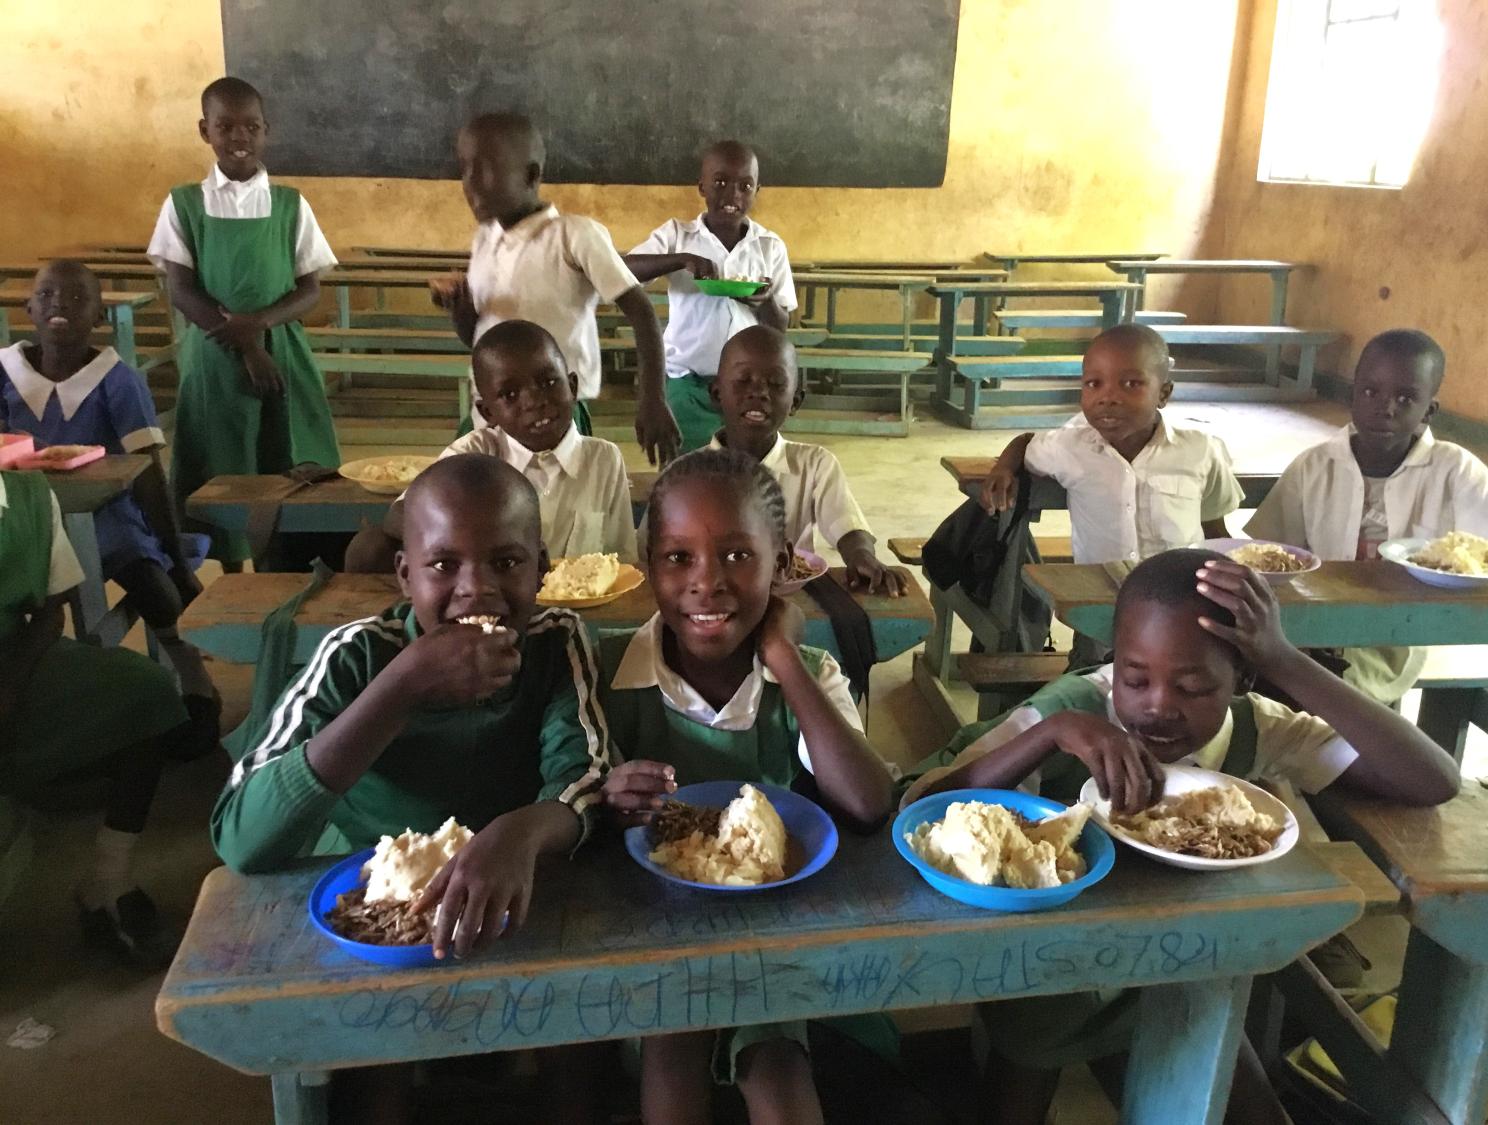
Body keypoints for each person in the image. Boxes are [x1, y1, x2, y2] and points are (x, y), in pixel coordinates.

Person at [901, 548, 1459, 1125]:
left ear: (1242, 680)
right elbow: (922, 805)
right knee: (1017, 1096)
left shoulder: (1256, 725)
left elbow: (1432, 780)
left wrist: (1285, 661)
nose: (1158, 706)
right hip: (1053, 971)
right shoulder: (1073, 712)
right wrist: (1050, 735)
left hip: (1193, 967)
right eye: (1134, 679)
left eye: (1192, 687)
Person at [211, 454, 611, 1123]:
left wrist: (525, 828)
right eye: (444, 564)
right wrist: (400, 688)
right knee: (375, 1062)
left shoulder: (557, 641)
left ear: (543, 568)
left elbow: (587, 775)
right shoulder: (355, 655)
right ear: (404, 574)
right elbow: (240, 835)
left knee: (579, 1032)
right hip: (377, 918)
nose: (476, 589)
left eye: (507, 562)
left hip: (515, 895)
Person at [600, 448, 894, 1125]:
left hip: (774, 929)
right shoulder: (608, 670)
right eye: (679, 558)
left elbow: (868, 801)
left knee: (777, 1064)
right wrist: (609, 799)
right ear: (649, 565)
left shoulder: (808, 672)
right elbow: (578, 798)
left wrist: (783, 657)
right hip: (652, 930)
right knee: (673, 1046)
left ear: (783, 565)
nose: (707, 583)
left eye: (737, 556)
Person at [0, 261, 219, 753]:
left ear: (99, 316)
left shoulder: (117, 379)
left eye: (78, 298)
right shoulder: (5, 371)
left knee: (149, 580)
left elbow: (147, 473)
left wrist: (177, 562)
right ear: (28, 308)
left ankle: (197, 684)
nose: (60, 303)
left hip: (105, 513)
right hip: (25, 515)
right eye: (47, 294)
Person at [147, 76, 341, 569]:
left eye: (251, 126)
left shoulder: (290, 204)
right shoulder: (184, 203)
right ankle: (232, 572)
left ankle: (286, 564)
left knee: (289, 457)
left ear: (266, 130)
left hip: (283, 351)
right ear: (205, 131)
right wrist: (249, 345)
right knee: (223, 458)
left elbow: (309, 289)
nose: (239, 137)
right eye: (225, 126)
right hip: (215, 354)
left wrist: (258, 326)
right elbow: (181, 289)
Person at [0, 468, 190, 966]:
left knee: (143, 691)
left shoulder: (29, 497)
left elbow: (51, 610)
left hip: (12, 656)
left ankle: (108, 880)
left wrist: (10, 687)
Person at [1247, 329, 1488, 702]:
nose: (1387, 407)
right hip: (1317, 624)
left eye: (1406, 397)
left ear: (1429, 411)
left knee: (1324, 686)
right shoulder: (1314, 466)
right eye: (1371, 392)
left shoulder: (1455, 470)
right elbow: (1271, 554)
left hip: (1400, 636)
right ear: (1352, 395)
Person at [979, 322, 1241, 661]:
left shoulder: (1200, 450)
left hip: (1183, 609)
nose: (1108, 397)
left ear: (1164, 393)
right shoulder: (1070, 447)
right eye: (1093, 384)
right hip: (1101, 610)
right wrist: (1003, 468)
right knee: (1091, 673)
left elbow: (1215, 529)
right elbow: (1027, 442)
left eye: (1131, 384)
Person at [432, 112, 680, 464]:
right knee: (463, 490)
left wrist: (653, 398)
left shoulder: (573, 236)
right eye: (465, 169)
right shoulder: (485, 240)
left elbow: (641, 311)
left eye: (487, 168)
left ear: (531, 175)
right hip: (492, 414)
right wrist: (460, 308)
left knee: (559, 494)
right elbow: (477, 338)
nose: (471, 182)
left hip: (554, 415)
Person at [343, 320, 636, 572]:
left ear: (572, 387)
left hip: (577, 604)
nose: (534, 401)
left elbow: (623, 560)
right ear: (488, 413)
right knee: (368, 547)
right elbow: (401, 514)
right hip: (491, 601)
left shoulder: (604, 460)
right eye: (510, 394)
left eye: (548, 382)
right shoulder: (475, 454)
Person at [702, 325, 906, 595]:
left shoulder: (815, 464)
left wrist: (861, 555)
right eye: (743, 379)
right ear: (717, 393)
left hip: (792, 597)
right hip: (712, 597)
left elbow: (845, 522)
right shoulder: (691, 474)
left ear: (796, 401)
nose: (759, 392)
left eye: (776, 384)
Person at [624, 140, 798, 452]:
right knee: (687, 469)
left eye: (745, 186)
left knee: (743, 470)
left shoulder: (769, 246)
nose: (732, 195)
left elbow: (779, 326)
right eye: (720, 183)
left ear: (757, 190)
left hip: (747, 389)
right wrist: (680, 260)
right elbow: (623, 270)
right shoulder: (677, 235)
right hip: (686, 383)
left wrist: (765, 301)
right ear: (701, 186)